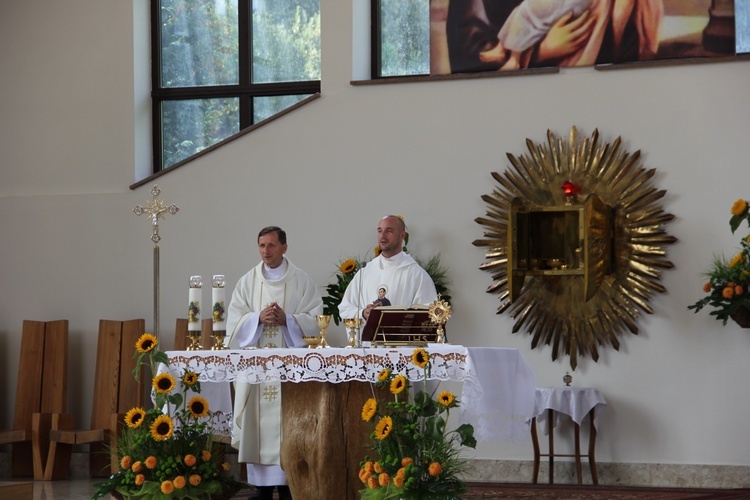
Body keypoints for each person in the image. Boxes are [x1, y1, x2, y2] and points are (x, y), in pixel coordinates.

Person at [227, 226, 323, 500]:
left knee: (290, 426)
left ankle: (290, 483)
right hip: (258, 370)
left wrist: (288, 320)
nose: (265, 251)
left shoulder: (302, 281)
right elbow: (234, 322)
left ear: (284, 247)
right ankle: (263, 488)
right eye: (261, 246)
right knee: (259, 427)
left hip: (290, 371)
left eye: (271, 245)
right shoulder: (248, 282)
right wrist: (257, 318)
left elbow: (317, 321)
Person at [338, 215, 438, 322]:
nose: (383, 236)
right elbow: (345, 308)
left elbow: (429, 314)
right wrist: (363, 313)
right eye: (380, 231)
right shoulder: (365, 272)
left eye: (389, 231)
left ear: (402, 235)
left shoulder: (417, 275)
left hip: (400, 338)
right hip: (369, 338)